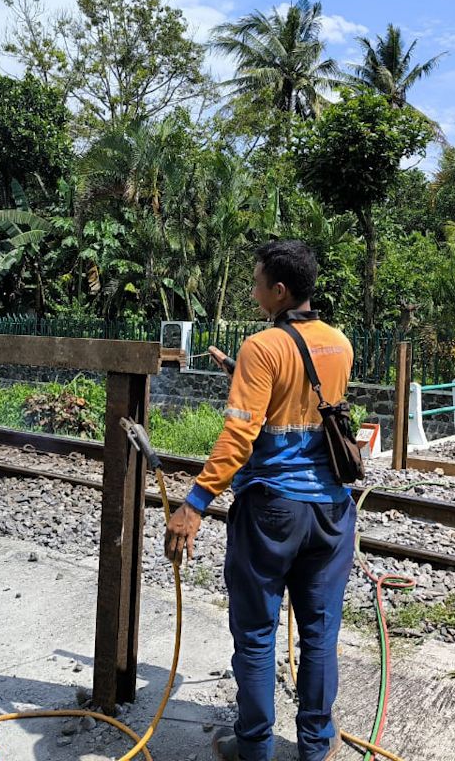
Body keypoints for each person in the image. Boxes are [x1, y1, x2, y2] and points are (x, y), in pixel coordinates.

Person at [163, 240, 354, 761]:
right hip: (332, 511)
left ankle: (253, 747)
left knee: (255, 634)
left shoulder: (262, 346)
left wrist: (194, 503)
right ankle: (316, 745)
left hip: (272, 512)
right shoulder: (339, 343)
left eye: (257, 284)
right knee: (319, 633)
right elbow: (305, 402)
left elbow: (239, 436)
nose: (253, 293)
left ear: (280, 290)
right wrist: (241, 374)